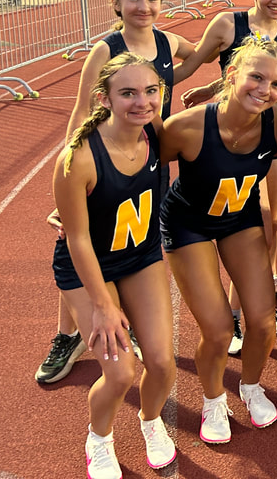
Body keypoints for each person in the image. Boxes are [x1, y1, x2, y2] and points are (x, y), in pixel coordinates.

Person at [37, 0, 194, 387]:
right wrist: (68, 178)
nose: (143, 6)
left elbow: (201, 54)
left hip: (148, 154)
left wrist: (216, 83)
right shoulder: (106, 50)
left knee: (131, 238)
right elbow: (81, 111)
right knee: (84, 245)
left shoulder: (168, 41)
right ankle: (68, 335)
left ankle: (135, 322)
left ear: (162, 2)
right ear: (117, 4)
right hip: (106, 157)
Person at [160, 37, 277, 442]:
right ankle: (212, 399)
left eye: (275, 84)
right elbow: (140, 171)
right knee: (218, 331)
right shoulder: (186, 126)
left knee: (263, 324)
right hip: (189, 225)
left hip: (240, 218)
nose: (265, 90)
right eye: (256, 77)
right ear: (231, 75)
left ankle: (250, 387)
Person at [53, 54, 177, 478]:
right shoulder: (78, 157)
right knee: (121, 371)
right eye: (128, 93)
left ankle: (150, 421)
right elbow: (78, 238)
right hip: (87, 267)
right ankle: (99, 438)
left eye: (150, 91)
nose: (142, 102)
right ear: (104, 98)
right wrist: (104, 305)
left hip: (140, 256)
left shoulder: (156, 133)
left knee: (161, 364)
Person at [176, 0, 277, 350]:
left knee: (271, 221)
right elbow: (196, 65)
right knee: (228, 219)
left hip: (269, 131)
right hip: (226, 134)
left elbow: (273, 76)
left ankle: (248, 305)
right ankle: (227, 316)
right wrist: (141, 79)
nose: (276, 0)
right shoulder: (227, 25)